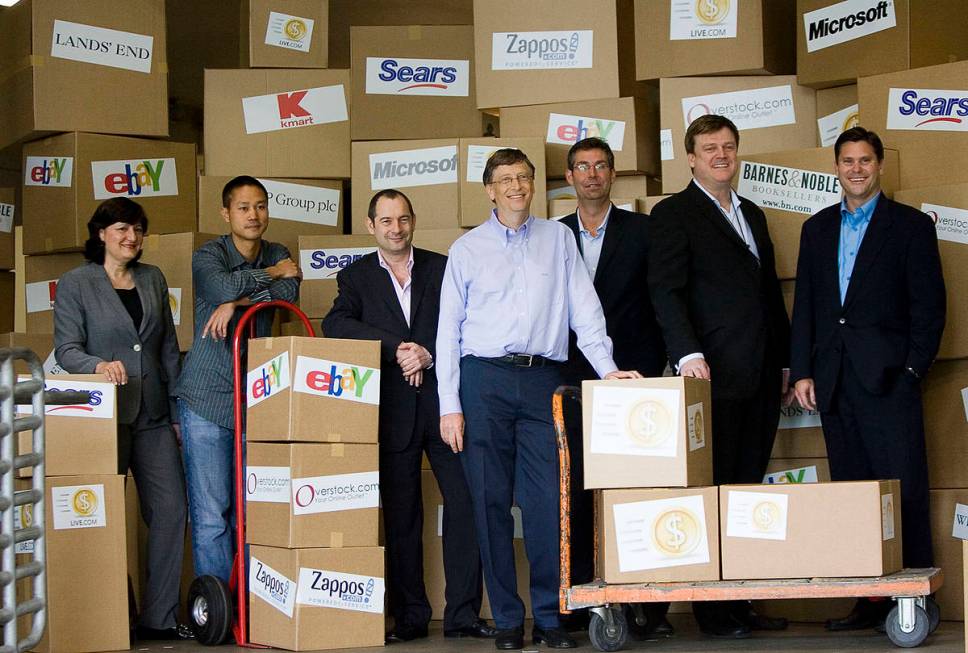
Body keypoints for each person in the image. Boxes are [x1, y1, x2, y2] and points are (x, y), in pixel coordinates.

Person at [437, 148, 642, 651]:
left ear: (535, 185)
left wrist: (609, 370)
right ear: (490, 190)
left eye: (524, 178)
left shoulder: (559, 238)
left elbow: (584, 312)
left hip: (540, 382)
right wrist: (449, 403)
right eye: (505, 179)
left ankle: (551, 618)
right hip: (481, 381)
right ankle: (508, 619)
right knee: (488, 503)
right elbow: (447, 330)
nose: (516, 186)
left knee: (548, 501)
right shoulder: (467, 249)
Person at [322, 189, 496, 644]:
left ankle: (461, 615)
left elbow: (472, 324)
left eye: (402, 219)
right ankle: (412, 617)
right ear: (371, 225)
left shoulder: (444, 266)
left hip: (447, 408)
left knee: (466, 508)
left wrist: (428, 353)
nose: (395, 228)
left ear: (413, 221)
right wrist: (395, 349)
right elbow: (336, 325)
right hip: (392, 414)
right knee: (402, 519)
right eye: (385, 221)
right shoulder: (355, 277)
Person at [790, 127, 945, 631]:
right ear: (835, 167)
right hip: (834, 381)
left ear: (879, 166)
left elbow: (930, 309)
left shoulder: (911, 227)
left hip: (888, 380)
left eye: (865, 160)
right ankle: (868, 600)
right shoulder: (815, 230)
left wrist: (911, 372)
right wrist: (804, 372)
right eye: (847, 161)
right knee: (853, 496)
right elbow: (807, 309)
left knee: (903, 490)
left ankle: (914, 599)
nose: (856, 169)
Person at [647, 115, 791, 639]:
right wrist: (686, 353)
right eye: (709, 148)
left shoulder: (751, 212)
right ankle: (712, 609)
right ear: (690, 157)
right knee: (714, 488)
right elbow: (665, 290)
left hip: (760, 372)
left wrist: (785, 359)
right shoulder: (673, 214)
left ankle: (742, 600)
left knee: (747, 491)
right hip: (712, 373)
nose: (721, 155)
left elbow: (768, 292)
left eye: (728, 146)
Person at [53, 197, 189, 641]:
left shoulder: (152, 278)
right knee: (100, 517)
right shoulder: (76, 283)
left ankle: (160, 617)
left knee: (171, 510)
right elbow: (67, 349)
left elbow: (167, 348)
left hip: (151, 414)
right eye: (122, 229)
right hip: (102, 417)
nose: (131, 237)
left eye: (138, 229)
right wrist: (95, 365)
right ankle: (111, 612)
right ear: (101, 234)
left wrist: (175, 412)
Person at [557, 137, 670, 637]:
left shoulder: (645, 231)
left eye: (601, 166)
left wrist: (666, 366)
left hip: (637, 379)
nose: (592, 174)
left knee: (639, 492)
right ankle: (585, 600)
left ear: (613, 174)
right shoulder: (551, 236)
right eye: (582, 167)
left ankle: (649, 607)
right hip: (573, 382)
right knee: (577, 488)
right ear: (569, 177)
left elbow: (664, 301)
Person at [174, 176, 300, 583]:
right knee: (213, 516)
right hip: (206, 399)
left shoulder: (280, 250)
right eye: (244, 207)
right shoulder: (207, 254)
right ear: (226, 213)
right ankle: (217, 611)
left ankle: (251, 605)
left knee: (254, 509)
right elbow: (221, 284)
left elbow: (289, 295)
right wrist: (262, 279)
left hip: (258, 398)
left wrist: (234, 303)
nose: (253, 215)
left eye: (261, 206)